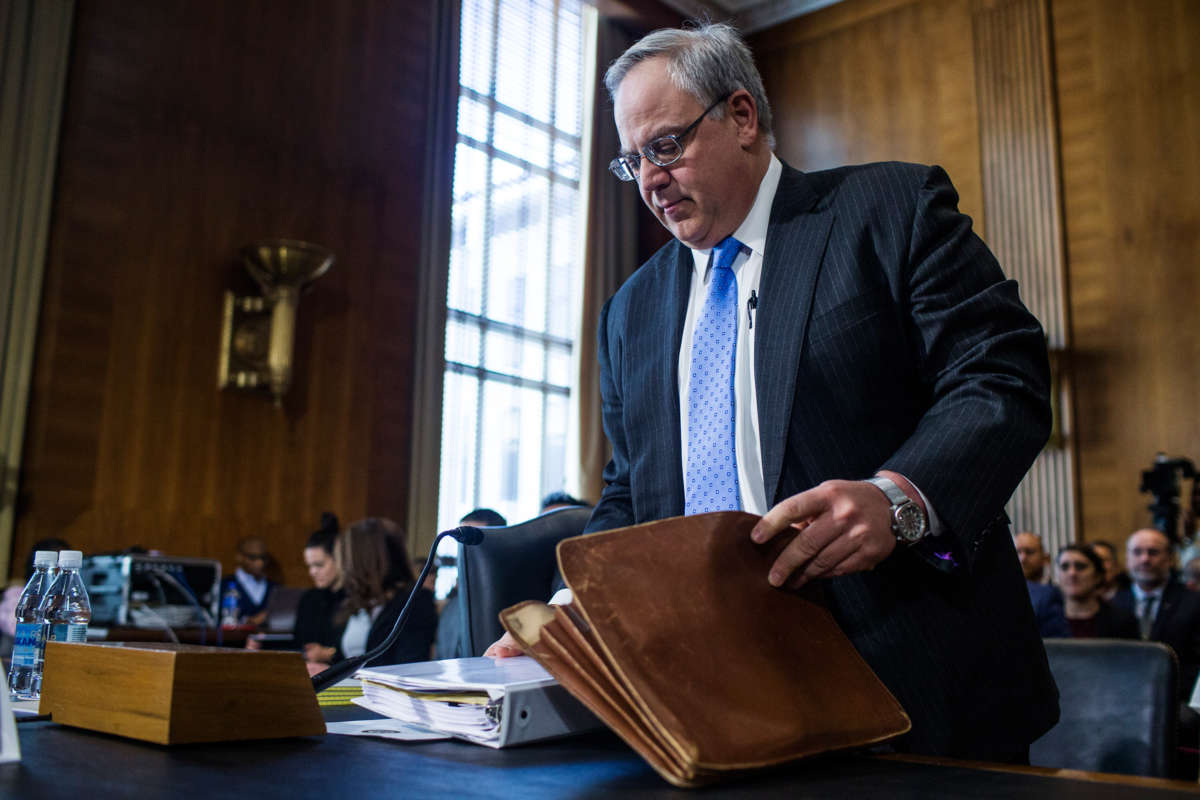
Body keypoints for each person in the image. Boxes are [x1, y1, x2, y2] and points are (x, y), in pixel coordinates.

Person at [488, 22, 1056, 762]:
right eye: (633, 162)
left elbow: (1000, 374)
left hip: (915, 678)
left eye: (665, 146)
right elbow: (632, 494)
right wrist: (574, 611)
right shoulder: (629, 311)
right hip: (712, 699)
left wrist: (897, 499)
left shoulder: (888, 209)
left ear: (743, 117)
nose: (651, 180)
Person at [305, 518, 436, 675]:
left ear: (362, 560)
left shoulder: (415, 602)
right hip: (351, 692)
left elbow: (407, 671)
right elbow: (348, 659)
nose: (341, 566)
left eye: (344, 558)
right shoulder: (360, 600)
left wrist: (337, 676)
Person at [1112, 528, 1200, 691]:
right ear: (1127, 559)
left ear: (1169, 559)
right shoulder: (1113, 604)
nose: (1145, 559)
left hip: (1177, 698)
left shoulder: (1193, 602)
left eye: (1153, 552)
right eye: (1137, 552)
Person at [435, 508, 508, 659]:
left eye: (472, 541)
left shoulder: (513, 602)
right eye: (461, 542)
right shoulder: (451, 606)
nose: (465, 550)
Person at [290, 512, 344, 663]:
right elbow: (299, 644)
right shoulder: (309, 599)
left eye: (319, 565)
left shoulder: (356, 599)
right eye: (309, 566)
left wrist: (330, 654)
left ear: (339, 560)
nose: (312, 572)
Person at [1054, 544, 1137, 638]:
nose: (1072, 573)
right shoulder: (1044, 619)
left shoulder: (1122, 621)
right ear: (1057, 576)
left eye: (1080, 566)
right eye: (1064, 567)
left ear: (1098, 576)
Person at [221, 536, 276, 626]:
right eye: (253, 557)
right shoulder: (224, 585)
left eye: (263, 558)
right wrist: (248, 621)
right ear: (239, 557)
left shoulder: (274, 588)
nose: (259, 563)